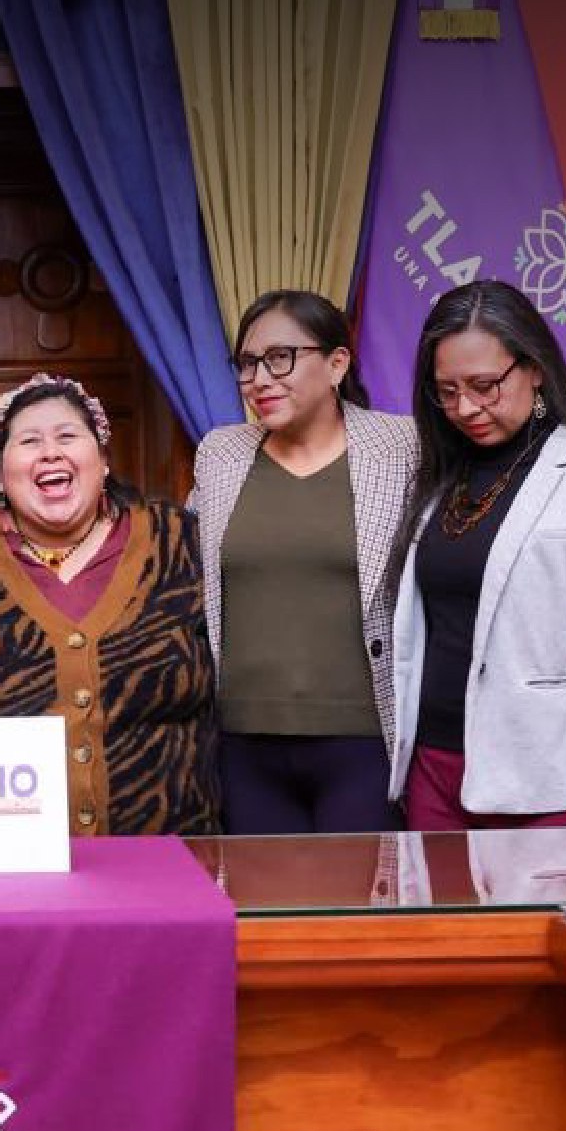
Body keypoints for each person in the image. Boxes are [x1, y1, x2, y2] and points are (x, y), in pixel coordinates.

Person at [388, 280, 566, 829]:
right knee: (436, 919)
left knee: (542, 920)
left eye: (485, 385)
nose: (465, 407)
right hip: (434, 768)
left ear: (533, 369)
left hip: (548, 781)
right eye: (447, 390)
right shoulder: (440, 476)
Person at [0, 374, 218, 835]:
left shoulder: (178, 539)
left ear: (102, 460)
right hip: (4, 864)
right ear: (1, 474)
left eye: (67, 436)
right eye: (29, 441)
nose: (50, 452)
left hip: (166, 861)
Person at [190, 291, 417, 834]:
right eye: (247, 364)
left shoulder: (403, 446)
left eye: (280, 358)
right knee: (265, 917)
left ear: (337, 363)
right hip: (243, 743)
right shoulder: (219, 455)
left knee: (359, 916)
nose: (260, 379)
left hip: (365, 742)